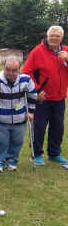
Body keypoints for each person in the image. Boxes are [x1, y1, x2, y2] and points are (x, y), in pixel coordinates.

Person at [22, 25, 68, 165]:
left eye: (57, 36)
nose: (54, 38)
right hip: (42, 98)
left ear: (62, 37)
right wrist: (37, 90)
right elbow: (26, 73)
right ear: (47, 37)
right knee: (39, 127)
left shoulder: (66, 51)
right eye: (51, 35)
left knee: (57, 127)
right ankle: (36, 155)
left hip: (60, 98)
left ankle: (54, 153)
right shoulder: (37, 52)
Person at [0, 55, 37, 172]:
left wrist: (31, 111)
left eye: (14, 70)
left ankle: (12, 160)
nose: (10, 73)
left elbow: (33, 96)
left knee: (17, 141)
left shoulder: (26, 79)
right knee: (0, 140)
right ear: (4, 67)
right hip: (0, 118)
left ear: (19, 69)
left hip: (20, 118)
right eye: (7, 69)